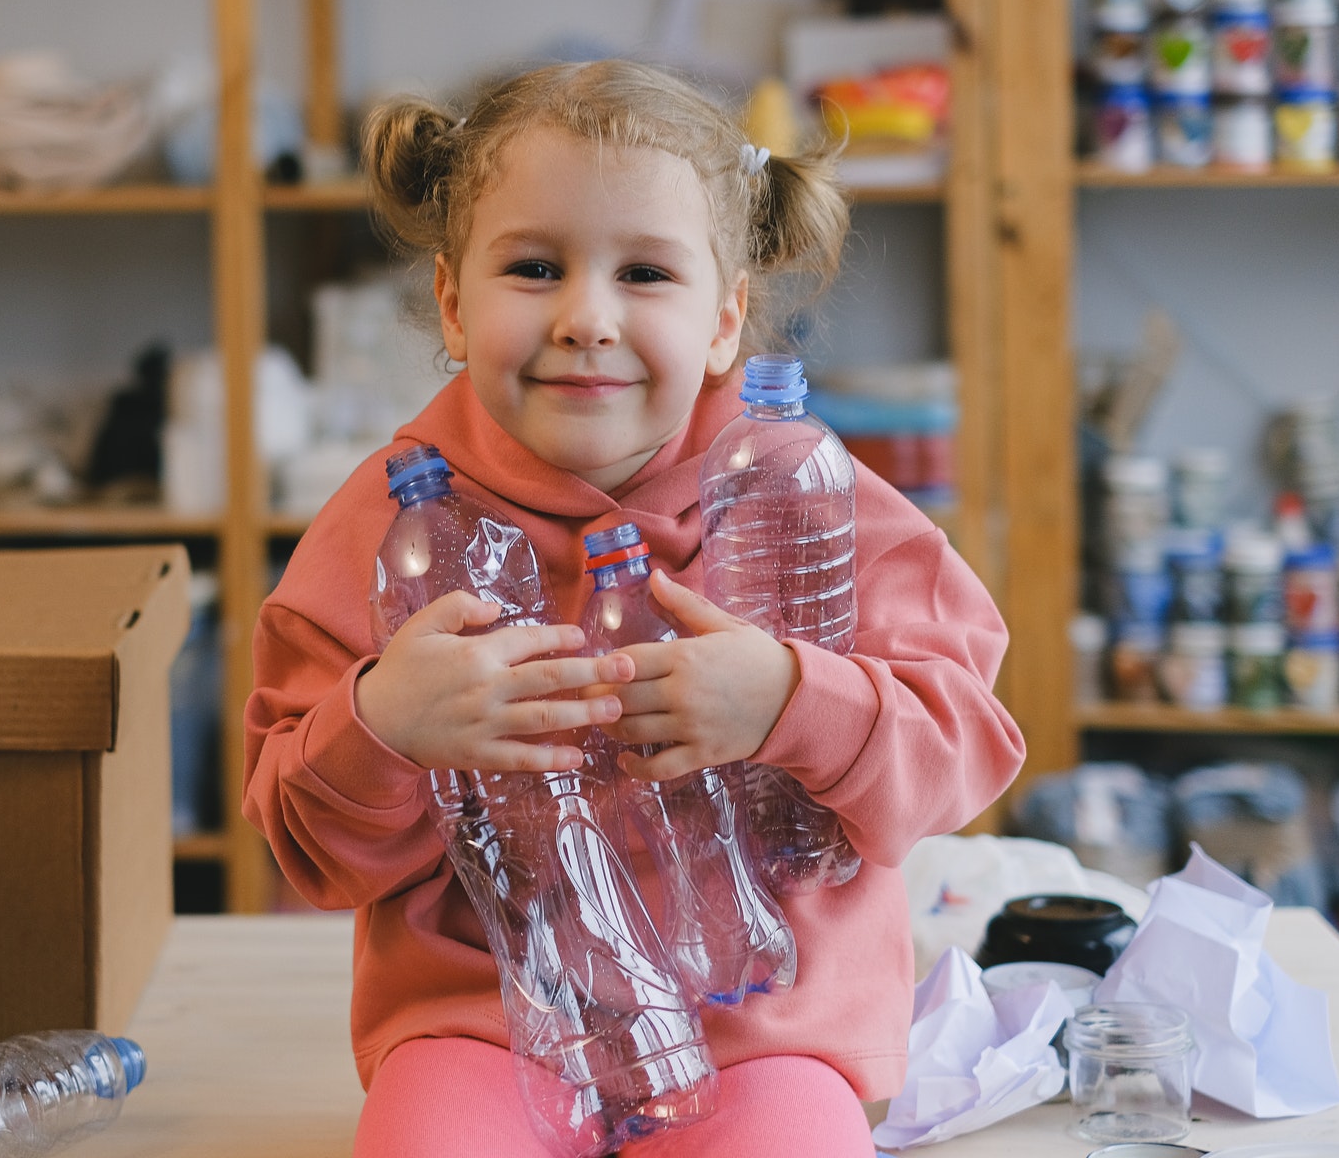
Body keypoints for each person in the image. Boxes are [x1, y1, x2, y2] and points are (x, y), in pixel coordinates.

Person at [244, 60, 1024, 1157]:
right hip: (483, 1033)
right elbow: (310, 847)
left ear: (726, 320)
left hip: (764, 1033)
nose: (586, 318)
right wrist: (382, 724)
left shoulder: (816, 495)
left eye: (647, 272)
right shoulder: (383, 525)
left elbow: (965, 752)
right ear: (454, 303)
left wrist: (795, 703)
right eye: (533, 266)